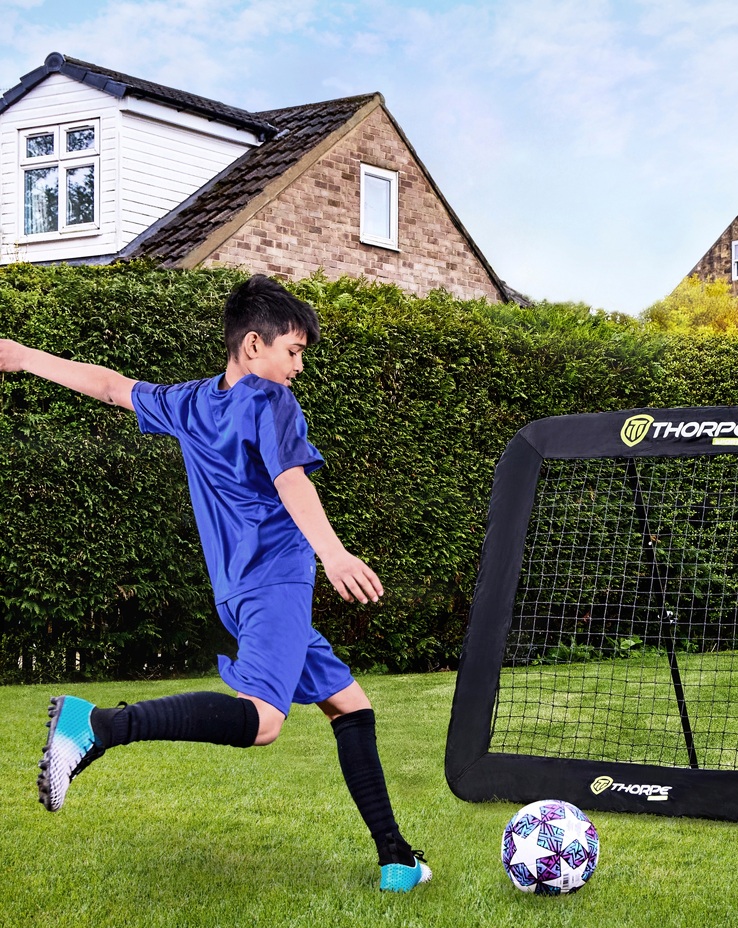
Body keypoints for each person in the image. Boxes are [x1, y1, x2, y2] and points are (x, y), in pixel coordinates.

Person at [0, 274, 430, 893]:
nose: (298, 367)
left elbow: (110, 386)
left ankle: (396, 859)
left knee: (350, 704)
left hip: (238, 592)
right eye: (294, 350)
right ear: (253, 345)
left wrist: (19, 357)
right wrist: (333, 554)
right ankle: (96, 725)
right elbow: (292, 481)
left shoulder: (194, 403)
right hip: (275, 583)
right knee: (263, 721)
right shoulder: (270, 401)